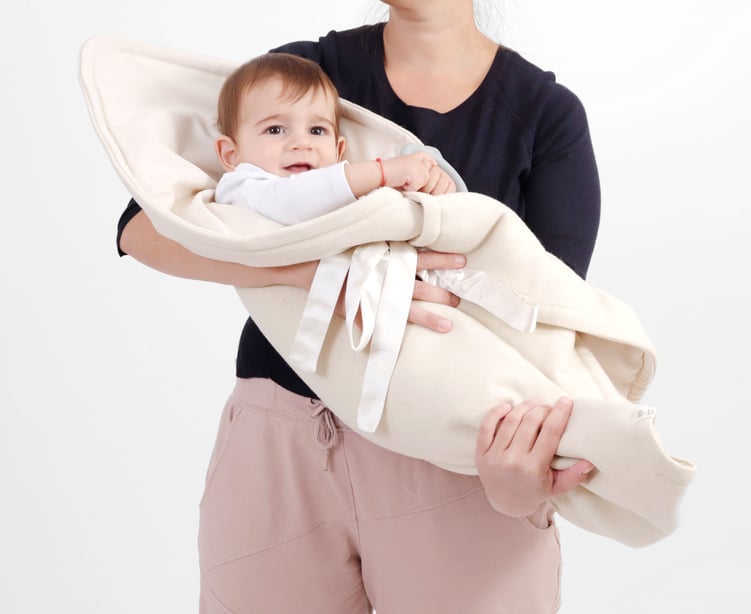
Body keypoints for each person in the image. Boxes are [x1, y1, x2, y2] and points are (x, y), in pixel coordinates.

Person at [116, 1, 600, 612]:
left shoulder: (544, 115)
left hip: (460, 452)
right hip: (282, 440)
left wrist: (520, 480)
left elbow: (550, 319)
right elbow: (144, 230)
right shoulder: (301, 75)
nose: (299, 140)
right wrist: (315, 277)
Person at [213, 52, 457, 224]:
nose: (302, 144)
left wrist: (424, 183)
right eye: (275, 130)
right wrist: (382, 172)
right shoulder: (241, 187)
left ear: (339, 151)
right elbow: (295, 199)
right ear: (231, 155)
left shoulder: (345, 195)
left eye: (317, 131)